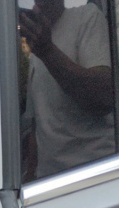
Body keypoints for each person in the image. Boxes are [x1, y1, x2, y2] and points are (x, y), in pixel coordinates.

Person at [19, 0, 115, 179]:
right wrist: (31, 175)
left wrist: (48, 51)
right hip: (47, 180)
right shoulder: (37, 47)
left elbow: (103, 97)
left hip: (93, 176)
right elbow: (37, 124)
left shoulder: (87, 17)